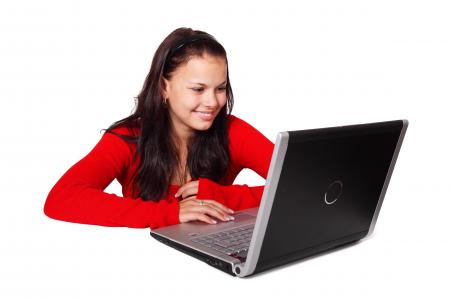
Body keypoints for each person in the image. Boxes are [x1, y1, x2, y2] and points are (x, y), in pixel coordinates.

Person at [43, 27, 274, 230]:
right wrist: (172, 213)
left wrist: (222, 196)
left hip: (215, 255)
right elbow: (61, 199)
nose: (213, 102)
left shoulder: (233, 131)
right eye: (198, 89)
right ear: (164, 87)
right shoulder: (128, 137)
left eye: (220, 88)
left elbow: (303, 183)